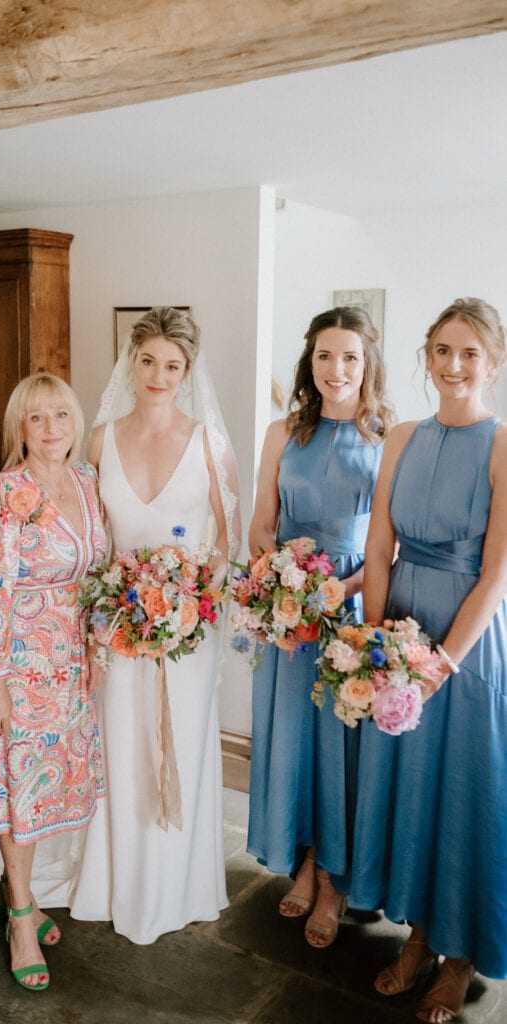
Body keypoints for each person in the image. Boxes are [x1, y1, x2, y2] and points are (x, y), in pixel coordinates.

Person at [348, 298, 507, 1022]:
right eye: (441, 350)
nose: (451, 365)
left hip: (466, 646)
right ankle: (413, 936)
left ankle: (458, 954)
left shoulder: (503, 444)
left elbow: (497, 576)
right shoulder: (402, 436)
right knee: (409, 791)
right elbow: (378, 544)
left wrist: (439, 664)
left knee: (463, 795)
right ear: (424, 354)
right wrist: (377, 645)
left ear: (493, 362)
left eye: (468, 352)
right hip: (400, 625)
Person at [69, 306, 240, 943]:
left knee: (179, 749)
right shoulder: (99, 439)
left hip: (184, 636)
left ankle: (177, 886)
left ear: (188, 371)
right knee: (119, 748)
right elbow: (93, 540)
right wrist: (107, 611)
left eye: (173, 366)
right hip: (116, 628)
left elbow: (226, 537)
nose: (158, 375)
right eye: (148, 361)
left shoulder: (209, 442)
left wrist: (191, 601)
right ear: (131, 361)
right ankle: (113, 883)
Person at [247, 307, 393, 949]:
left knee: (342, 749)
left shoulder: (390, 438)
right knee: (296, 741)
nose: (337, 369)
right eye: (326, 356)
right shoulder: (282, 432)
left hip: (351, 610)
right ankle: (302, 857)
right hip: (289, 612)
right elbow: (260, 523)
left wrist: (338, 590)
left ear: (368, 365)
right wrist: (282, 584)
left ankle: (334, 877)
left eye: (351, 358)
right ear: (311, 361)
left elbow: (389, 543)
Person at [0, 372, 107, 991]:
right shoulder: (5, 491)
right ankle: (21, 914)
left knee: (52, 789)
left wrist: (99, 641)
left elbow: (102, 570)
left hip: (73, 660)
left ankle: (15, 888)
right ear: (20, 428)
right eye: (36, 418)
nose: (52, 429)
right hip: (22, 662)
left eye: (61, 416)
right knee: (19, 788)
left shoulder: (87, 481)